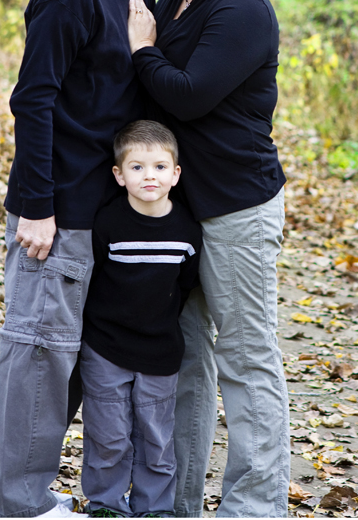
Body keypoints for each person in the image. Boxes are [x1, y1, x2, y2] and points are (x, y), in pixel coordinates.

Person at [0, 0, 173, 520]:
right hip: (58, 207)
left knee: (64, 356)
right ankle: (13, 501)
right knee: (40, 352)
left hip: (102, 204)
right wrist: (36, 206)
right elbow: (34, 100)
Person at [127, 0, 290, 518]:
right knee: (184, 358)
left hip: (237, 209)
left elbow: (188, 95)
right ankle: (175, 505)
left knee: (246, 357)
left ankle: (254, 507)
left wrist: (143, 51)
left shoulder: (244, 9)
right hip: (179, 209)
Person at [80, 120, 202, 519]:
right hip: (105, 348)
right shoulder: (107, 223)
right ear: (119, 175)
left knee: (156, 438)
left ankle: (154, 508)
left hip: (160, 352)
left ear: (175, 174)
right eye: (137, 167)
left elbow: (185, 283)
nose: (149, 175)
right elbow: (93, 279)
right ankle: (106, 505)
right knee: (109, 436)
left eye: (160, 167)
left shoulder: (187, 230)